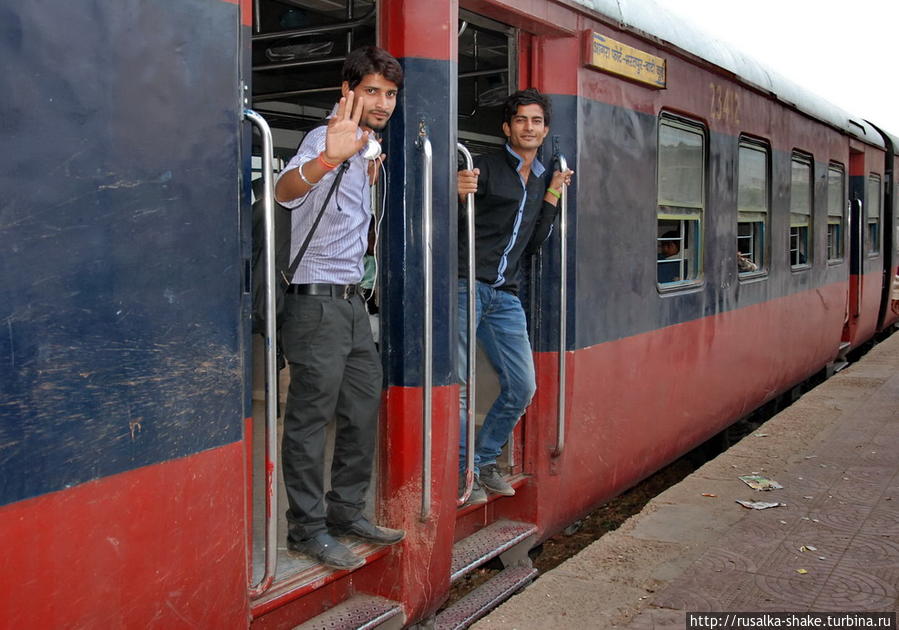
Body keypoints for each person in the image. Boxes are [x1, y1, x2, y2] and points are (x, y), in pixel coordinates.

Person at [273, 46, 404, 570]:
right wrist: (331, 157)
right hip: (315, 305)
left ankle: (345, 511)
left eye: (391, 93)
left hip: (351, 306)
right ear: (347, 93)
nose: (384, 102)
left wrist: (362, 163)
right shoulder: (324, 140)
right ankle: (305, 528)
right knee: (309, 419)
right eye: (372, 90)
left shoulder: (366, 149)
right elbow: (284, 192)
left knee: (361, 408)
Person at [456, 88, 574, 505]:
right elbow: (450, 221)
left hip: (505, 295)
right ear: (507, 128)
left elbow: (535, 239)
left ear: (545, 130)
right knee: (459, 386)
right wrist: (456, 192)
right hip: (464, 285)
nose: (529, 127)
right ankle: (459, 474)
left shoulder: (542, 176)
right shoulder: (483, 168)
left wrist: (554, 193)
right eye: (521, 120)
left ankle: (484, 459)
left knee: (522, 386)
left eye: (537, 121)